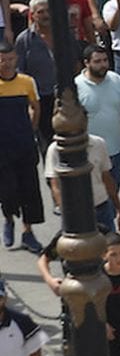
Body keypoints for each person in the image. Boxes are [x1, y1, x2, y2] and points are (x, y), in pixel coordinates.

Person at [77, 45, 120, 190]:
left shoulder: (117, 80)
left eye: (105, 60)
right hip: (90, 152)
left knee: (114, 191)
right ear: (86, 63)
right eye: (97, 61)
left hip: (116, 150)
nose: (102, 65)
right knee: (96, 194)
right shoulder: (77, 86)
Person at [2, 42, 44, 252]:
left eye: (10, 58)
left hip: (24, 144)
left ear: (15, 59)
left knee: (29, 189)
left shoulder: (26, 82)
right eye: (2, 59)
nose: (6, 63)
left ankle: (28, 232)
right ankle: (8, 218)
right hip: (2, 148)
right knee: (7, 190)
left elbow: (36, 107)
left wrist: (32, 129)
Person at [46, 132, 120, 232]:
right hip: (74, 214)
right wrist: (67, 215)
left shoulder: (98, 144)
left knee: (110, 245)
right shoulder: (55, 150)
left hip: (101, 209)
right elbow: (56, 186)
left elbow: (107, 179)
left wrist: (118, 209)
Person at [14, 0, 57, 150]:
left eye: (48, 11)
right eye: (40, 12)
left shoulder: (63, 34)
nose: (46, 15)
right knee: (48, 146)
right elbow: (19, 71)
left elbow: (75, 62)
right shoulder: (24, 40)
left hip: (64, 96)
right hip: (41, 99)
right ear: (32, 15)